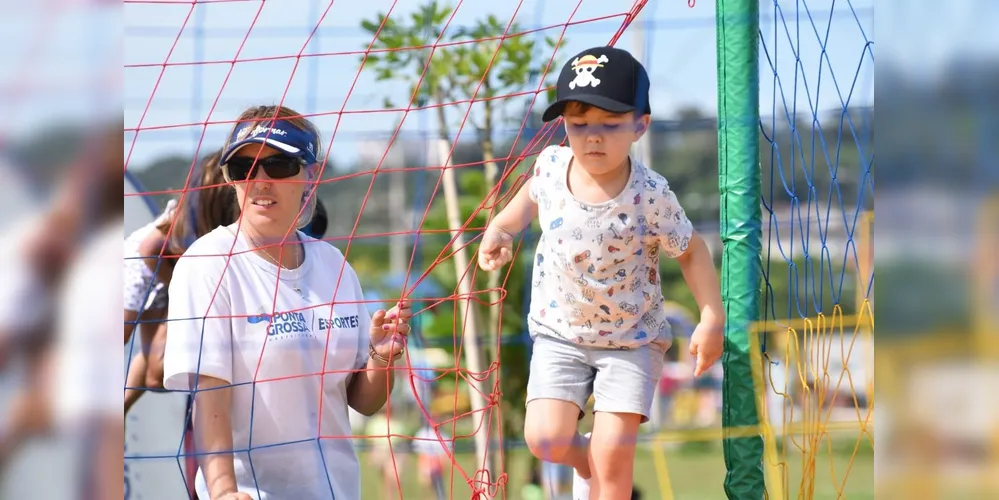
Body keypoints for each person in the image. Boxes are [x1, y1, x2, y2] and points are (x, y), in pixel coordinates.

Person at [476, 46, 725, 500]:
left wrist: (711, 317)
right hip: (560, 333)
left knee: (614, 467)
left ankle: (603, 469)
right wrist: (501, 229)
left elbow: (691, 252)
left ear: (639, 126)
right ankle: (585, 459)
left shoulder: (651, 196)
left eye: (609, 124)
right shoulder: (551, 167)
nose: (592, 137)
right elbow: (528, 199)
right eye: (578, 124)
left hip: (631, 342)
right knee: (546, 439)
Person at [162, 105, 411, 500]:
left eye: (278, 166)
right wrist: (225, 492)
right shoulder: (207, 264)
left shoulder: (335, 266)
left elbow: (364, 402)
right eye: (243, 168)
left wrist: (381, 357)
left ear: (311, 174)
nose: (260, 181)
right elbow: (209, 397)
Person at [124, 150, 238, 413]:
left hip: (167, 272)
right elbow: (149, 249)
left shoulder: (216, 229)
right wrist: (179, 289)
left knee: (154, 365)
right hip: (144, 267)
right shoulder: (185, 221)